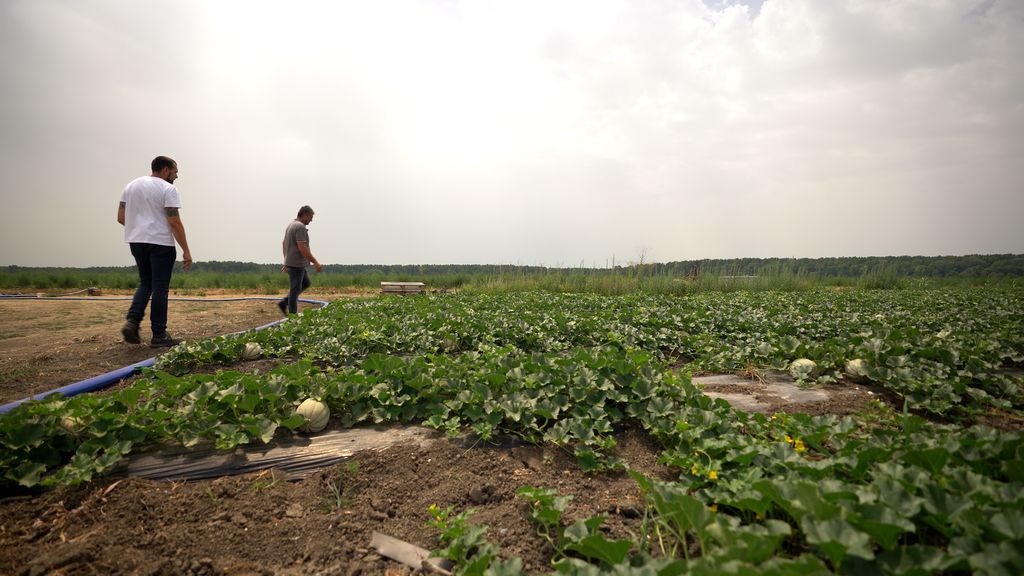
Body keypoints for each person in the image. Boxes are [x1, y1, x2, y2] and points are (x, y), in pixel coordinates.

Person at [117, 156, 192, 347]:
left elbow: (120, 217)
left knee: (145, 283)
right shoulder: (168, 189)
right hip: (160, 243)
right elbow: (174, 221)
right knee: (160, 287)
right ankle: (159, 334)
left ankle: (132, 322)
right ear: (166, 170)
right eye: (175, 172)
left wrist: (139, 228)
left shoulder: (131, 186)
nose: (176, 176)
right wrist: (186, 250)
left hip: (136, 241)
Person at [278, 205, 322, 315]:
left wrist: (286, 261)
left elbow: (283, 243)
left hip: (294, 263)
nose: (311, 220)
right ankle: (293, 316)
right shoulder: (300, 227)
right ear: (304, 215)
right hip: (296, 265)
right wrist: (315, 262)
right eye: (310, 217)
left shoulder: (291, 225)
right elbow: (302, 247)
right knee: (295, 290)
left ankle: (284, 302)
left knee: (306, 283)